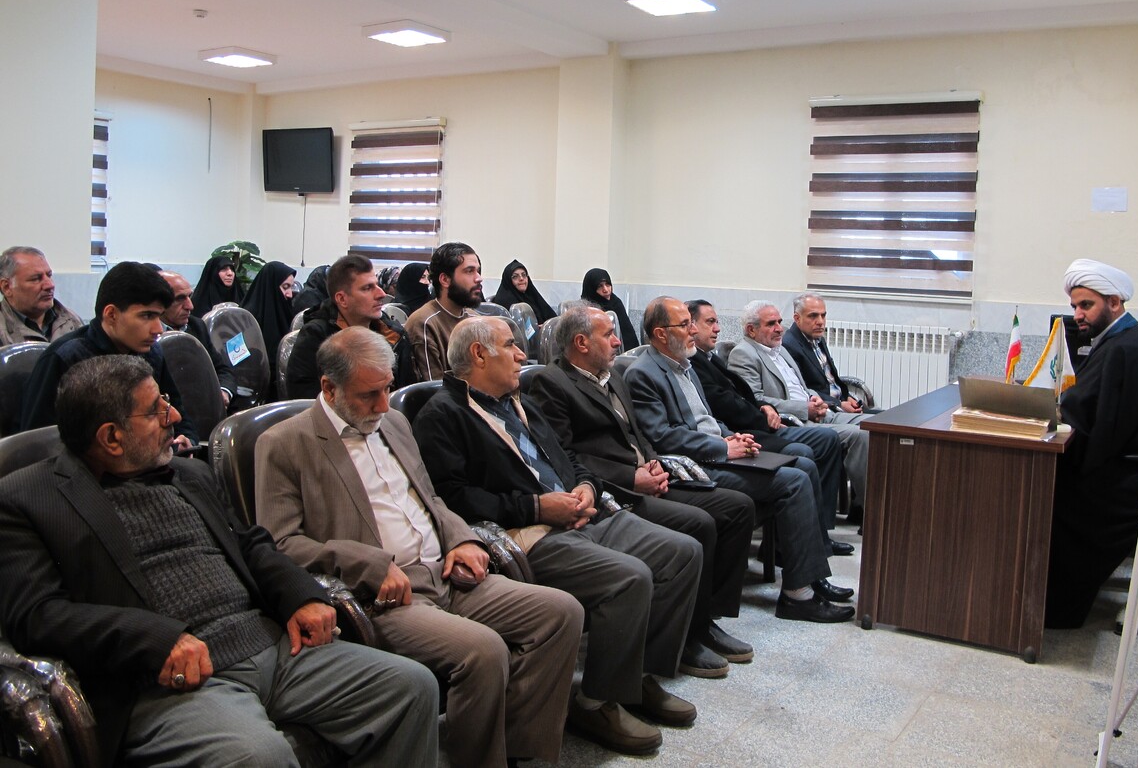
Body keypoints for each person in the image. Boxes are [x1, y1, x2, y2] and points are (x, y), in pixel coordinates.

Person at [0, 355, 439, 767]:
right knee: (257, 756)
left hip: (272, 645)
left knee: (411, 686)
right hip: (166, 679)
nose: (174, 416)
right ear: (111, 437)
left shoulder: (188, 473)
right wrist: (155, 638)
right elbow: (37, 615)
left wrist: (300, 595)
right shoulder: (27, 499)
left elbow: (251, 545)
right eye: (155, 411)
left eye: (166, 401)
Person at [257, 328, 582, 768]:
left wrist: (460, 538)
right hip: (386, 595)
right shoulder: (284, 443)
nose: (383, 404)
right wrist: (369, 563)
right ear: (329, 388)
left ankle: (517, 749)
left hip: (446, 571)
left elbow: (432, 498)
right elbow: (280, 544)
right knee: (483, 650)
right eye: (369, 395)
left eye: (388, 388)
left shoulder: (393, 422)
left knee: (561, 612)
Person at [413, 317, 703, 756]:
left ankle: (638, 677)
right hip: (528, 532)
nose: (522, 355)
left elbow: (567, 457)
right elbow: (452, 498)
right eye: (510, 346)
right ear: (478, 355)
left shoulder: (520, 402)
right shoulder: (443, 415)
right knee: (629, 577)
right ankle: (597, 702)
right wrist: (536, 507)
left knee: (683, 552)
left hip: (577, 512)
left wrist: (586, 487)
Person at [526, 306, 756, 677]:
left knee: (737, 507)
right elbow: (567, 456)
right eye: (608, 335)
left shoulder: (613, 375)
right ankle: (686, 637)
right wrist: (631, 478)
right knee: (699, 523)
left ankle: (704, 619)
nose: (619, 341)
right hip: (613, 489)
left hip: (646, 475)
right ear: (581, 343)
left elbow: (638, 434)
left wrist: (652, 463)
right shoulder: (552, 383)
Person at [624, 297, 855, 623]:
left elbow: (707, 418)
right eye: (685, 325)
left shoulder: (684, 365)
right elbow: (664, 437)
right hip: (697, 464)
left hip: (718, 450)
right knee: (793, 480)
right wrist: (722, 447)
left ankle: (811, 577)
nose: (693, 331)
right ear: (661, 334)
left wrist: (731, 436)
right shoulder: (643, 374)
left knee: (803, 465)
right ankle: (797, 596)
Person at [1046, 258, 1138, 628]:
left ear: (1114, 302)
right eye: (1074, 306)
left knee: (1054, 495)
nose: (1078, 315)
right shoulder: (1125, 340)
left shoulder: (1124, 349)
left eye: (1086, 305)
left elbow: (1098, 425)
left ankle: (1053, 609)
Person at [687, 299, 848, 549]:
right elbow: (725, 405)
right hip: (745, 432)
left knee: (829, 440)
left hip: (764, 422)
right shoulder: (708, 360)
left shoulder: (710, 358)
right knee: (804, 454)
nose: (717, 328)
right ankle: (793, 546)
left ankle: (818, 534)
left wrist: (774, 406)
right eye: (710, 322)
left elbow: (746, 396)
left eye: (780, 322)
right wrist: (765, 414)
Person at [20, 261, 198, 445]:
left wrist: (186, 439)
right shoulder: (65, 358)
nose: (158, 329)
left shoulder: (152, 353)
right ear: (111, 314)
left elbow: (177, 413)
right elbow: (39, 443)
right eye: (147, 316)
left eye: (159, 316)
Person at [727, 300, 869, 505]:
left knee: (873, 426)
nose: (779, 328)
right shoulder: (743, 354)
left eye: (779, 322)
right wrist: (804, 408)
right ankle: (867, 509)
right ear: (751, 329)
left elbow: (800, 386)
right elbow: (755, 399)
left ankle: (877, 504)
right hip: (796, 420)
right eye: (771, 324)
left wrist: (814, 398)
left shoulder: (780, 349)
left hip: (819, 411)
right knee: (860, 435)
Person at [286, 254, 415, 399]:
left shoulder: (393, 334)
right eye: (367, 288)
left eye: (377, 285)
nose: (381, 294)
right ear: (342, 299)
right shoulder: (315, 337)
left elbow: (405, 398)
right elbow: (307, 401)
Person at [405, 242, 483, 381]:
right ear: (445, 279)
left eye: (478, 271)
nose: (479, 278)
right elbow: (434, 388)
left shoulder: (475, 319)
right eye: (469, 271)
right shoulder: (424, 323)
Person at [159, 270, 235, 407]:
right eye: (179, 299)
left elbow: (222, 369)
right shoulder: (147, 336)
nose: (190, 306)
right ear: (158, 303)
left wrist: (223, 391)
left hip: (205, 405)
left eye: (189, 296)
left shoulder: (197, 326)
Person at [784, 292, 865, 414]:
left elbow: (830, 380)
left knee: (885, 417)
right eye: (813, 316)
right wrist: (839, 404)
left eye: (823, 315)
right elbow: (803, 390)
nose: (820, 322)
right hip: (825, 409)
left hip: (841, 403)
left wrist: (847, 397)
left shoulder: (818, 339)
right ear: (797, 318)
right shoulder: (789, 345)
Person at [0, 245, 83, 346]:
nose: (50, 285)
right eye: (36, 279)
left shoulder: (72, 321)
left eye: (49, 275)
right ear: (6, 287)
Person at [240, 261, 296, 379]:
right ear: (271, 286)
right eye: (285, 287)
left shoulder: (285, 311)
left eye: (291, 287)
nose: (290, 294)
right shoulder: (247, 318)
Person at [581, 267, 639, 350]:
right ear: (591, 288)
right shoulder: (586, 309)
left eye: (608, 284)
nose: (606, 290)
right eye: (600, 286)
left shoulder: (616, 303)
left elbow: (628, 335)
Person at [492, 259, 556, 324]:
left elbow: (551, 316)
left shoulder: (530, 295)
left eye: (524, 275)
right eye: (515, 276)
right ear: (508, 281)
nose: (521, 278)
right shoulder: (505, 301)